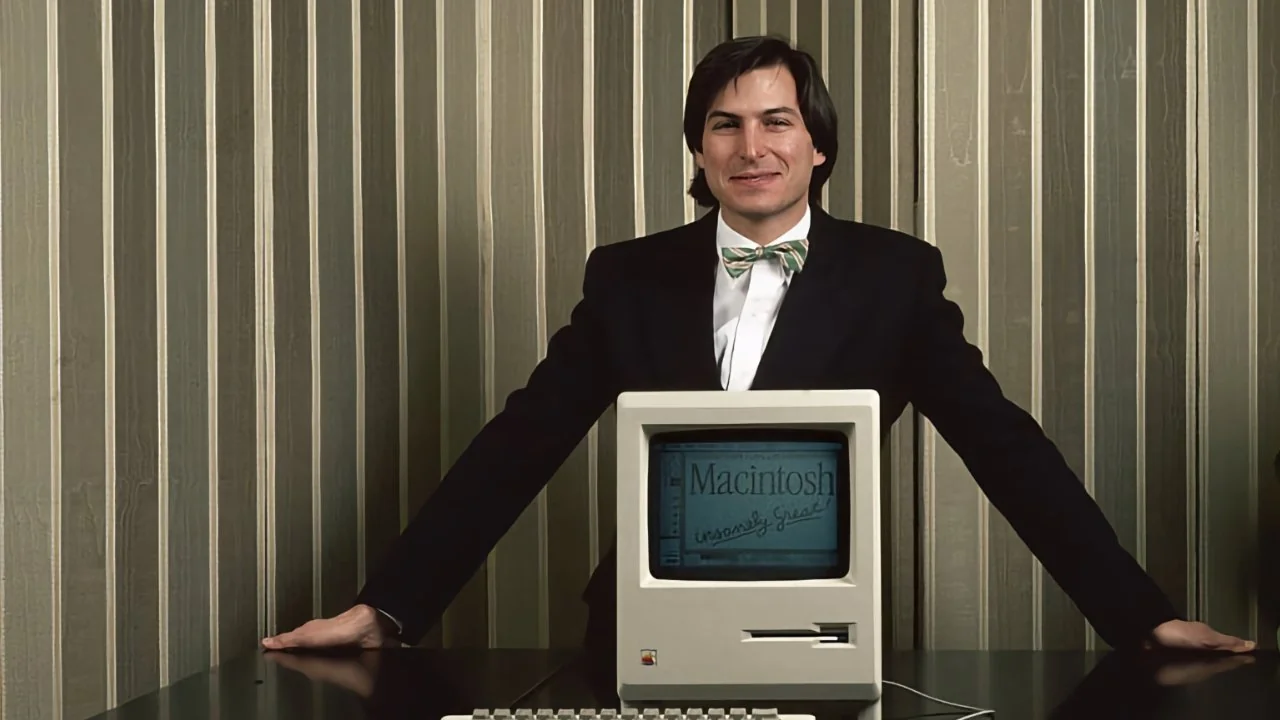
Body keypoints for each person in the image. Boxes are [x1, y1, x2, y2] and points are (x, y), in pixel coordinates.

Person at [263, 36, 1253, 657]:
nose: (751, 146)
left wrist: (1138, 618)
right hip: (637, 630)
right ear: (698, 150)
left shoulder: (894, 275)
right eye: (723, 125)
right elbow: (518, 445)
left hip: (821, 623)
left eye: (776, 121)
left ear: (815, 144)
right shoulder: (626, 274)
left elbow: (1005, 448)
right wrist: (383, 609)